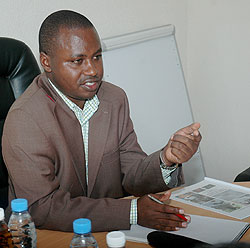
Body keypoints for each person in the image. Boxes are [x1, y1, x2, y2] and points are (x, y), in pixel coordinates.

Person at [2, 10, 202, 232]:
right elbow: (42, 207)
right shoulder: (25, 119)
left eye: (96, 57)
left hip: (109, 231)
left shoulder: (114, 99)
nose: (93, 70)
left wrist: (167, 158)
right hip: (46, 235)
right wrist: (133, 212)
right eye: (77, 61)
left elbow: (131, 173)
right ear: (46, 62)